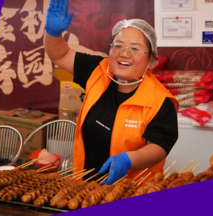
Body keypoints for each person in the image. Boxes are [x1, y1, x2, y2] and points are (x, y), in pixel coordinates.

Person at [44, 0, 179, 185]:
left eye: (135, 49)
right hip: (85, 187)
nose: (125, 53)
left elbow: (159, 147)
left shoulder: (160, 100)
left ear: (151, 59)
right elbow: (59, 55)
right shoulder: (97, 70)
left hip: (131, 192)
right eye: (118, 46)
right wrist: (53, 34)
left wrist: (128, 160)